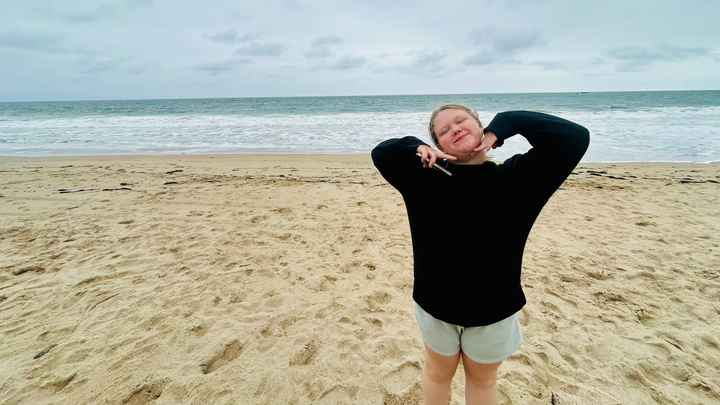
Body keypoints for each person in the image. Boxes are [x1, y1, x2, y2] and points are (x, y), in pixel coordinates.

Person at [371, 105, 589, 405]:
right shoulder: (423, 179)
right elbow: (382, 153)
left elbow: (573, 138)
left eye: (461, 121)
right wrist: (415, 146)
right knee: (437, 373)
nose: (455, 129)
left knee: (483, 380)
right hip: (435, 304)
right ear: (438, 145)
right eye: (444, 131)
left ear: (480, 126)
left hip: (493, 308)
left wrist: (507, 123)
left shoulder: (519, 179)